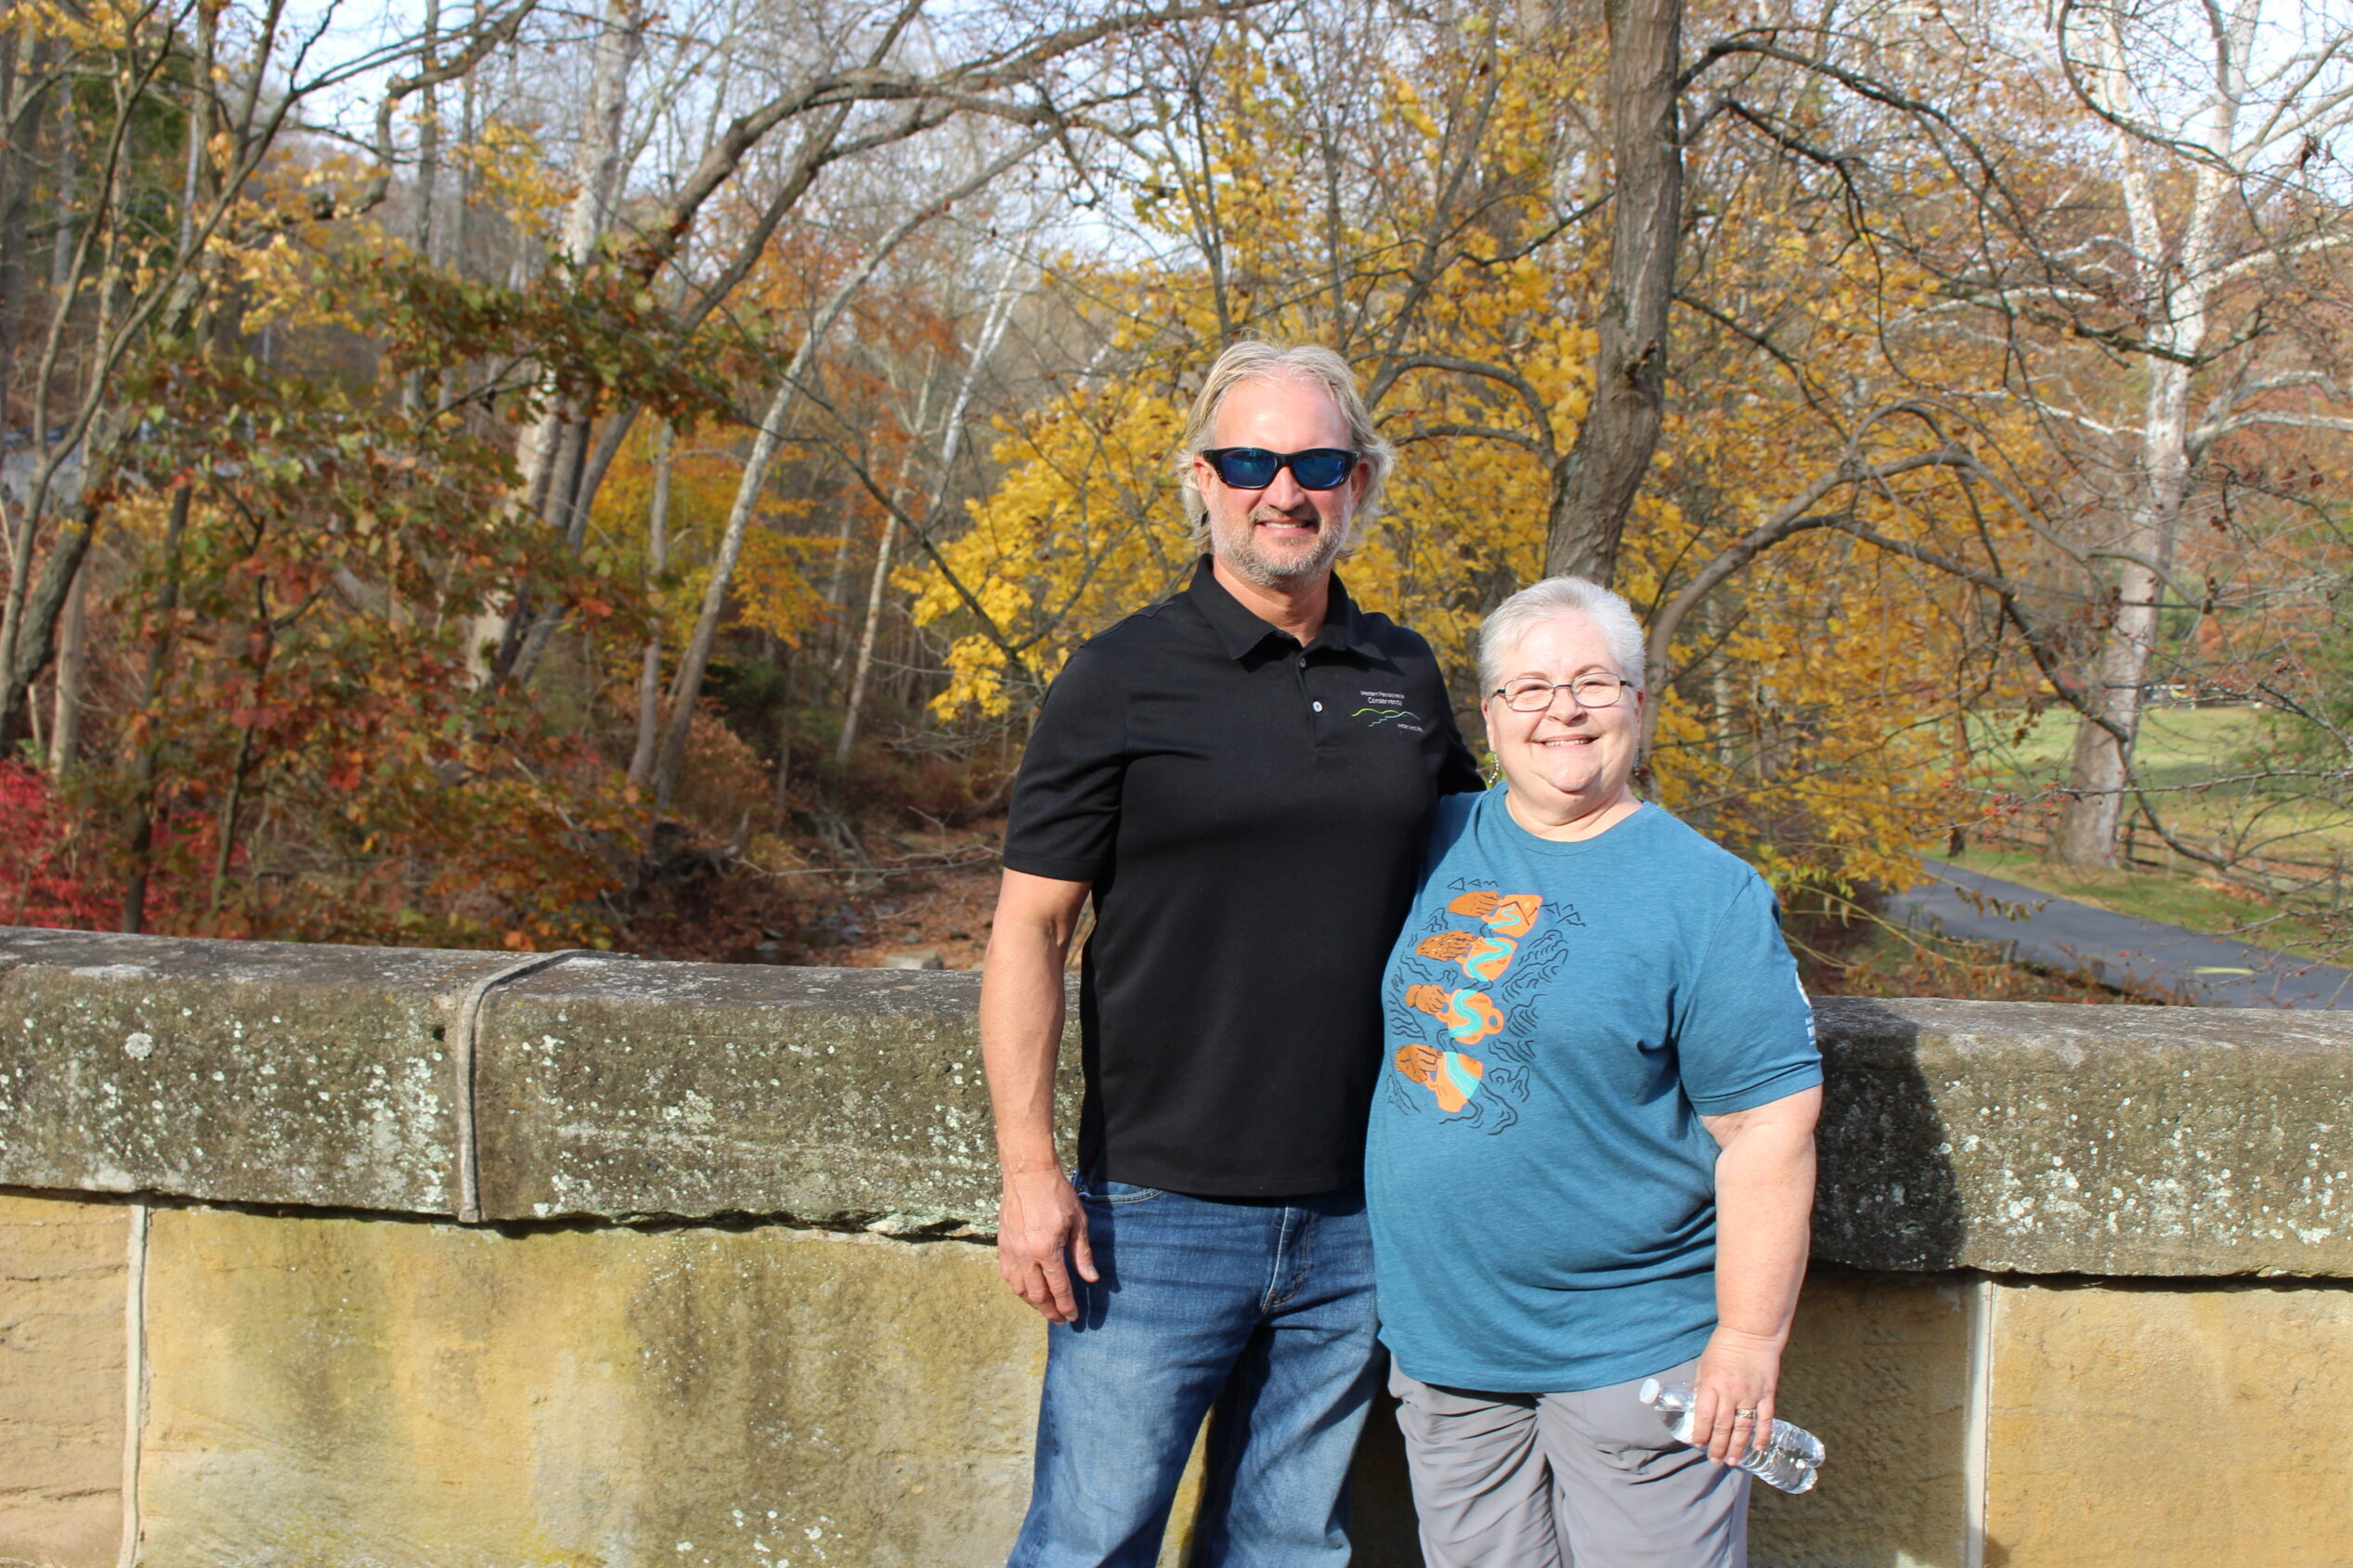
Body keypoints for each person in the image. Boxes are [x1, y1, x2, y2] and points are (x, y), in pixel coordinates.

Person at [982, 340, 1484, 1568]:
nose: (1283, 489)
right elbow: (1029, 931)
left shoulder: (1404, 675)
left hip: (1359, 1211)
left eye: (1316, 461)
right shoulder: (1118, 677)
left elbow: (1493, 889)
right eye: (1249, 459)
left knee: (1285, 1547)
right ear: (1200, 480)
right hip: (1153, 1212)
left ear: (1359, 484)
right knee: (1091, 1539)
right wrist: (1028, 1169)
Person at [1366, 575, 1823, 1568]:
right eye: (1527, 690)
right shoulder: (1428, 841)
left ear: (1637, 705)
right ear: (1489, 719)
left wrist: (1747, 1343)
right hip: (1447, 1354)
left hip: (1631, 1359)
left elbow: (1767, 1128)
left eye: (1592, 683)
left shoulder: (1706, 894)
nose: (1561, 711)